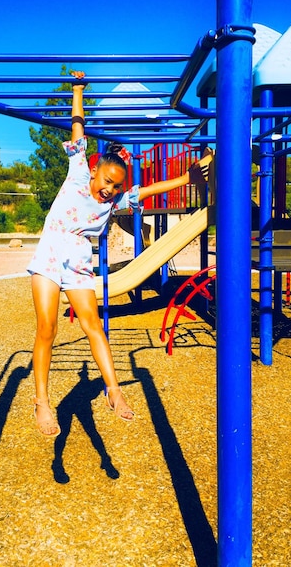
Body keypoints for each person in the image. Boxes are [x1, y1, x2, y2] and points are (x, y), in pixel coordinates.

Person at [28, 70, 210, 437]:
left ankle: (114, 390)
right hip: (49, 256)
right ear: (95, 173)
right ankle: (42, 402)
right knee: (46, 328)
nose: (111, 190)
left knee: (93, 325)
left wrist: (186, 180)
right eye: (107, 182)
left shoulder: (114, 203)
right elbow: (77, 130)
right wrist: (78, 90)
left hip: (78, 263)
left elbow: (147, 191)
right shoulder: (78, 175)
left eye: (116, 185)